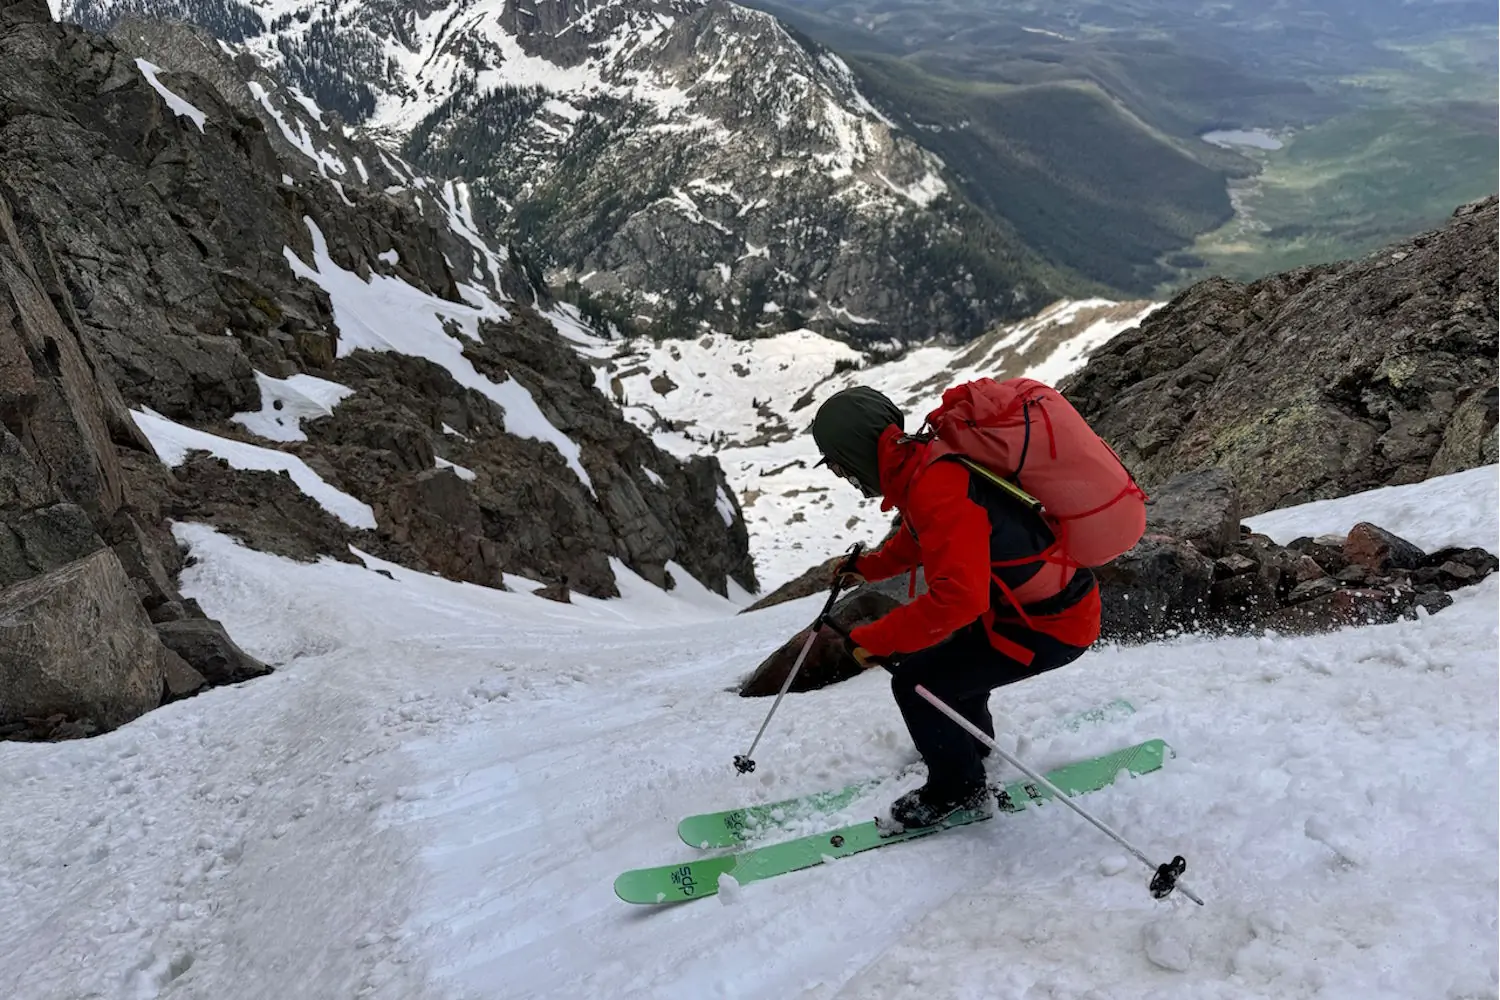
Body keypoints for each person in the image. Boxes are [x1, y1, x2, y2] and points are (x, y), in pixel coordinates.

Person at [810, 385, 1103, 829]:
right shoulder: (925, 462)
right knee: (948, 671)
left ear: (855, 451)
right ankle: (972, 746)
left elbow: (959, 599)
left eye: (839, 464)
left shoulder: (934, 486)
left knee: (917, 683)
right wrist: (868, 568)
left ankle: (959, 789)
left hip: (1048, 625)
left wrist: (876, 639)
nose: (842, 475)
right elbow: (922, 538)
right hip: (1037, 609)